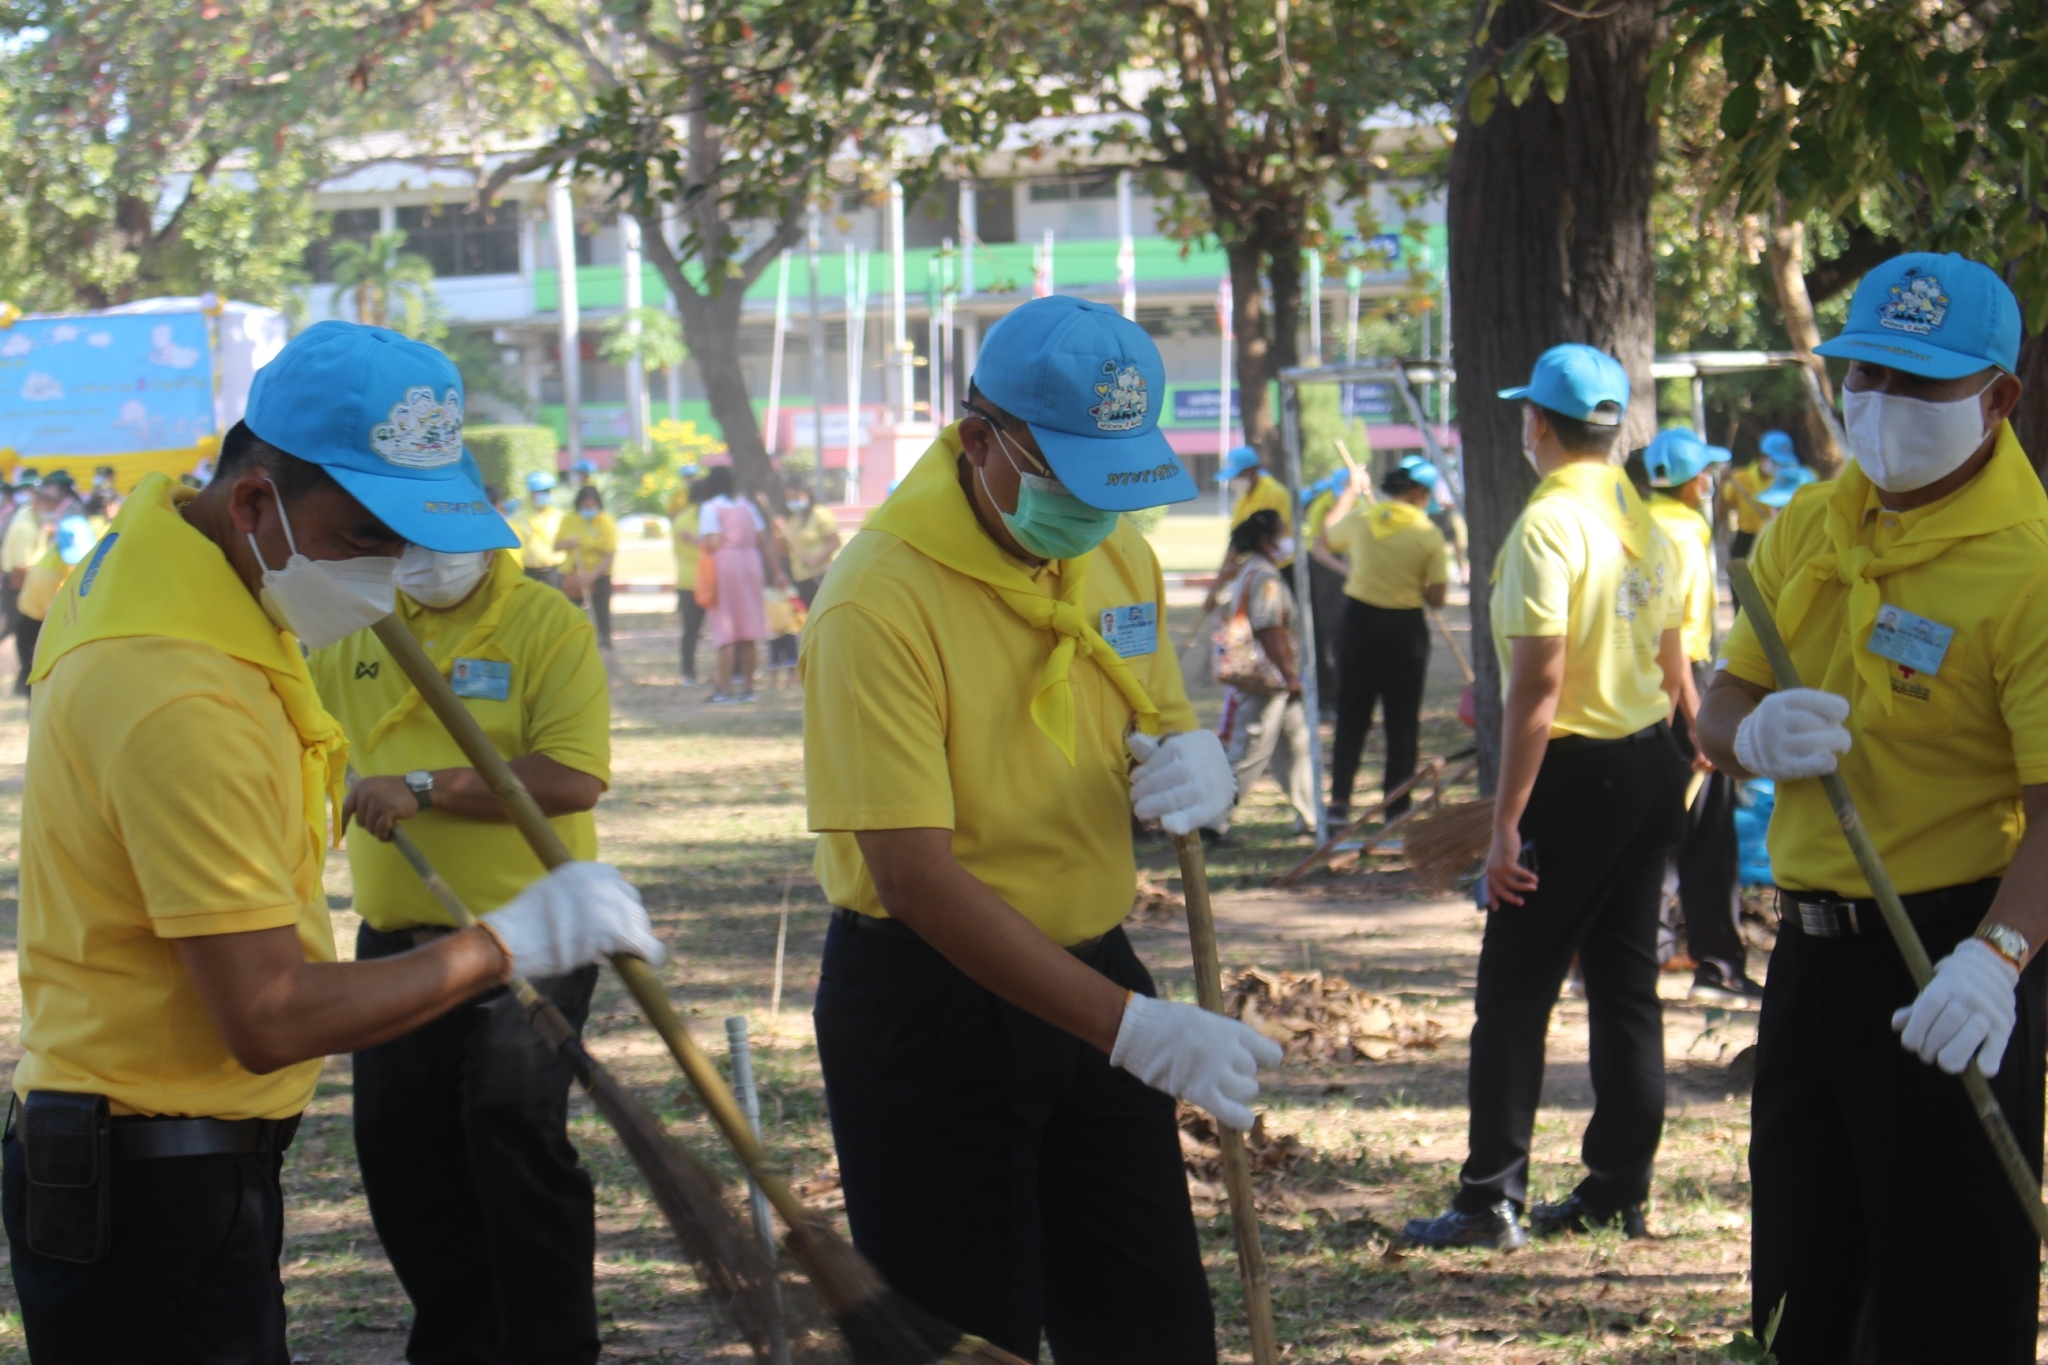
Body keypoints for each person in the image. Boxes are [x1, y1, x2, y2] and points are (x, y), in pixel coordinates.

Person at [4, 319, 660, 1361]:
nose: (394, 574)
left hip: (163, 1158)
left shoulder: (176, 569)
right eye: (366, 539)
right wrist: (513, 942)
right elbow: (268, 1015)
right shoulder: (181, 687)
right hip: (156, 1181)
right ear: (256, 503)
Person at [802, 295, 1281, 1362]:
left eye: (1117, 482)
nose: (1095, 512)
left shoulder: (1117, 557)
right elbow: (916, 878)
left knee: (1149, 1319)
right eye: (1071, 479)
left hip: (1091, 974)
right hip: (929, 1005)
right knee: (966, 1336)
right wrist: (1133, 1031)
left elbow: (1148, 720)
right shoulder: (874, 603)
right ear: (981, 442)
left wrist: (1191, 760)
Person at [1695, 253, 2048, 1363]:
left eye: (1920, 385)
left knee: (1947, 1299)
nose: (1881, 406)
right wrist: (1743, 735)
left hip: (1946, 965)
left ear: (1996, 398)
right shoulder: (1809, 522)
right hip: (1808, 961)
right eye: (1865, 374)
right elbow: (1718, 704)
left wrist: (1994, 958)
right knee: (1802, 1288)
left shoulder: (2027, 569)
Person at [1405, 343, 1689, 1250]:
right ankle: (1616, 1188)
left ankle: (1491, 1197)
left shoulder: (1547, 527)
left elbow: (1537, 688)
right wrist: (1695, 741)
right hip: (1651, 766)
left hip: (1579, 771)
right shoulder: (1641, 515)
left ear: (1536, 425)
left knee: (1515, 989)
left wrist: (1504, 825)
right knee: (1624, 984)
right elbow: (1675, 654)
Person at [310, 530, 612, 1365]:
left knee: (508, 1123)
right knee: (398, 1142)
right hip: (398, 945)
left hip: (532, 937)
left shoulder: (547, 624)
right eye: (406, 538)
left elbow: (571, 777)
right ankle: (457, 1343)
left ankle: (550, 1348)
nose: (424, 556)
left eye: (443, 539)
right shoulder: (355, 625)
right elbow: (307, 737)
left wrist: (420, 789)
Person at [1635, 428, 1762, 1004]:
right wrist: (1697, 721)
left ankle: (1646, 946)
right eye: (1704, 473)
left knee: (1652, 824)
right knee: (1709, 835)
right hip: (1685, 683)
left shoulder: (1635, 520)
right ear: (1691, 482)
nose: (1709, 482)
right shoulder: (1686, 532)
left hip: (1635, 691)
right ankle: (1717, 963)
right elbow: (1680, 640)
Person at [1317, 462, 1450, 827]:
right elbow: (1437, 598)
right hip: (1404, 631)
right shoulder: (1428, 534)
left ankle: (1339, 803)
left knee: (1351, 716)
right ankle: (1396, 808)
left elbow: (1325, 537)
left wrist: (1347, 494)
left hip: (1359, 625)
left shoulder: (1362, 518)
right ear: (1421, 494)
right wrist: (1418, 584)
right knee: (1402, 723)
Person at [1214, 509, 1316, 837]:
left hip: (1274, 683)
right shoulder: (1265, 577)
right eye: (1283, 530)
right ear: (1266, 539)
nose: (1288, 536)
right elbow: (1269, 628)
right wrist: (1290, 675)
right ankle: (1211, 819)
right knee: (1248, 753)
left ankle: (1311, 814)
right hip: (1268, 681)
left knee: (1296, 746)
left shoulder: (1250, 570)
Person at [698, 466, 780, 702]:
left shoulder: (710, 509)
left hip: (725, 566)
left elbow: (712, 542)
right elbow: (763, 540)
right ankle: (748, 687)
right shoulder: (747, 506)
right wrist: (776, 571)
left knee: (726, 630)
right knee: (748, 629)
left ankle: (724, 689)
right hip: (751, 565)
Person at [1202, 445, 1294, 614]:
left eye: (1236, 476)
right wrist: (1217, 586)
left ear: (1251, 471)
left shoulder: (1274, 493)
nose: (1233, 481)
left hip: (1281, 569)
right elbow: (1235, 543)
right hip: (1257, 568)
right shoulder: (1244, 500)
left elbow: (1272, 541)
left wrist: (1231, 573)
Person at [4, 481, 65, 694]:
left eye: (54, 500)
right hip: (21, 588)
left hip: (30, 592)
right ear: (36, 499)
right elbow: (23, 566)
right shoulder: (26, 525)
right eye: (47, 499)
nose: (51, 505)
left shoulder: (33, 519)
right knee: (16, 635)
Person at [1300, 470, 1350, 703]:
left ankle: (1347, 692)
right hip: (1325, 572)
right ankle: (1328, 696)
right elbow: (1320, 549)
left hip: (1347, 572)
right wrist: (1348, 570)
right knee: (1329, 634)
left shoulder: (1357, 500)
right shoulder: (1323, 504)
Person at [555, 484, 617, 651]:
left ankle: (604, 648)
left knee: (601, 616)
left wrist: (592, 577)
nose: (588, 510)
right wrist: (568, 543)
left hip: (599, 576)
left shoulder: (606, 522)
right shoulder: (568, 520)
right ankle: (575, 647)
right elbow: (556, 545)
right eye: (585, 507)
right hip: (573, 575)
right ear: (578, 505)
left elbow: (609, 555)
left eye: (592, 506)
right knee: (572, 615)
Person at [1725, 429, 1795, 559]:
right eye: (1775, 460)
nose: (1778, 466)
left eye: (1782, 462)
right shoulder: (1740, 477)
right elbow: (1722, 511)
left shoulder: (1788, 480)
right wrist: (1721, 482)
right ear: (1762, 456)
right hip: (1746, 540)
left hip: (1776, 538)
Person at [670, 476, 709, 685]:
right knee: (722, 628)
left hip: (687, 579)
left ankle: (688, 672)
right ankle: (734, 669)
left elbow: (676, 551)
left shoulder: (681, 519)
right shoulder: (713, 517)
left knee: (690, 630)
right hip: (710, 580)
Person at [784, 478, 843, 606]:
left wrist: (816, 559)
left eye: (796, 496)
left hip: (820, 574)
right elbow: (784, 550)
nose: (793, 501)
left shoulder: (820, 513)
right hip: (799, 576)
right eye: (789, 498)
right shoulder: (789, 520)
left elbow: (835, 542)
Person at [515, 470, 568, 587]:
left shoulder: (560, 517)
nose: (543, 495)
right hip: (528, 572)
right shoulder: (519, 518)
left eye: (546, 491)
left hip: (555, 572)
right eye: (539, 492)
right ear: (531, 493)